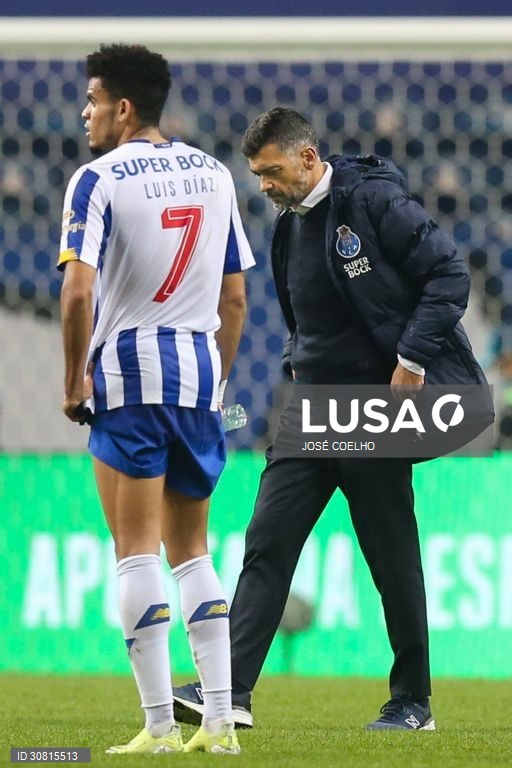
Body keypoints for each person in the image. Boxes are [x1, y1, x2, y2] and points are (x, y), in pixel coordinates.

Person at [173, 107, 492, 731]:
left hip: (372, 408)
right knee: (266, 544)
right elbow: (304, 318)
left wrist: (411, 359)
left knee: (390, 557)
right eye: (257, 175)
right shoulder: (290, 226)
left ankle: (412, 702)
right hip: (308, 410)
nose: (263, 185)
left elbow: (448, 275)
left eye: (271, 172)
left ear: (307, 158)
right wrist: (296, 368)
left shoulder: (372, 201)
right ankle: (230, 693)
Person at [58, 44, 254, 754]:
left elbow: (78, 291)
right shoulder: (214, 173)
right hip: (200, 377)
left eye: (92, 101)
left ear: (124, 108)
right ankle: (225, 723)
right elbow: (235, 299)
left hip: (130, 376)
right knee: (194, 552)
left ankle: (161, 727)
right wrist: (215, 381)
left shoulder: (96, 179)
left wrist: (73, 378)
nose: (84, 114)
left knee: (135, 551)